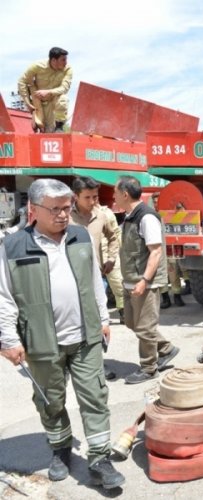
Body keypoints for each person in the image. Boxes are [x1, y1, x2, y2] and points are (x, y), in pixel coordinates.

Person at [0, 179, 125, 489]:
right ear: (34, 209)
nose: (62, 215)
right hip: (41, 343)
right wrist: (9, 340)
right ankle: (60, 449)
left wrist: (103, 318)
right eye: (54, 209)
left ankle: (99, 458)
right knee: (50, 401)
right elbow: (5, 297)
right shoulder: (13, 246)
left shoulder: (80, 236)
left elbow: (96, 280)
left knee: (95, 397)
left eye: (67, 208)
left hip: (85, 338)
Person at [114, 176, 179, 384]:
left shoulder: (146, 217)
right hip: (131, 279)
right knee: (132, 323)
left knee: (145, 327)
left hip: (145, 282)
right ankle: (166, 349)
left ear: (125, 195)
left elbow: (156, 252)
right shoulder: (130, 216)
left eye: (115, 193)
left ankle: (149, 368)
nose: (113, 196)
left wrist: (144, 280)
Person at [70, 176, 125, 323]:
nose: (92, 201)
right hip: (72, 275)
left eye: (95, 197)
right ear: (76, 196)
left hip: (96, 274)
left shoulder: (102, 215)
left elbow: (113, 237)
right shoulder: (66, 218)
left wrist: (112, 259)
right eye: (87, 197)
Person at [17, 47, 72, 133]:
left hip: (54, 101)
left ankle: (59, 126)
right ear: (54, 60)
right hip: (39, 104)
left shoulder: (68, 69)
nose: (66, 62)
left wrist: (49, 92)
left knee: (63, 99)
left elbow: (64, 88)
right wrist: (27, 102)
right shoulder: (37, 66)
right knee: (47, 133)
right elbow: (22, 81)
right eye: (63, 60)